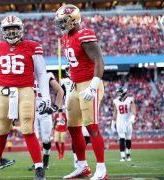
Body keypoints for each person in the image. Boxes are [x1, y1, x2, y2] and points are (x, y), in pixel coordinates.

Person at [0, 15, 49, 180]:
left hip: (25, 89)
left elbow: (41, 74)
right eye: (8, 29)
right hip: (3, 90)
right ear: (3, 31)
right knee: (1, 131)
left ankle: (39, 168)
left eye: (14, 28)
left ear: (20, 29)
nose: (11, 31)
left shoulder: (33, 46)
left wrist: (46, 97)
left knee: (27, 128)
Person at [54, 4, 107, 179]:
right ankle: (82, 166)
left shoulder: (84, 35)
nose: (61, 25)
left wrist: (94, 85)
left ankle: (101, 168)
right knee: (73, 127)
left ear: (73, 20)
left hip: (88, 85)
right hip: (75, 85)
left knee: (92, 126)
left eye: (63, 21)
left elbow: (99, 60)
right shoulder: (67, 37)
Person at [29, 72, 64, 171]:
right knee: (33, 138)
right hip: (32, 112)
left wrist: (55, 107)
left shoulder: (47, 76)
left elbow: (60, 91)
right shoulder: (26, 76)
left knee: (45, 140)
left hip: (45, 112)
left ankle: (45, 161)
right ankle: (37, 163)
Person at [111, 87, 136, 162]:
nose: (118, 94)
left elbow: (133, 110)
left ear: (124, 92)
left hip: (128, 121)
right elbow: (115, 112)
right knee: (121, 138)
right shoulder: (116, 101)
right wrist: (113, 123)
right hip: (120, 122)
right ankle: (122, 156)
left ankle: (128, 154)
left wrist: (132, 118)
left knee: (128, 138)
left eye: (119, 92)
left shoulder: (130, 100)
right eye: (118, 92)